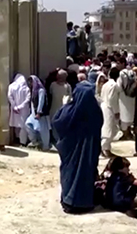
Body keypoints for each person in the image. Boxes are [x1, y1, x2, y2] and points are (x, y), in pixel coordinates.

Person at [53, 83, 103, 214]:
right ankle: (84, 203)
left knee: (70, 174)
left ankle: (68, 201)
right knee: (85, 174)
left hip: (70, 152)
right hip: (89, 152)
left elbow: (57, 122)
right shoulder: (95, 112)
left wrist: (64, 106)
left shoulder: (69, 111)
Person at [100, 67, 122, 158]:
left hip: (104, 106)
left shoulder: (106, 84)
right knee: (109, 129)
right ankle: (104, 149)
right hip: (109, 108)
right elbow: (112, 99)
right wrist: (116, 111)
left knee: (111, 128)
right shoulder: (114, 85)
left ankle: (107, 148)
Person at [26, 75, 50, 150]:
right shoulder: (33, 91)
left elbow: (41, 101)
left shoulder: (41, 90)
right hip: (34, 114)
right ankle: (35, 142)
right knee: (27, 124)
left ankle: (45, 146)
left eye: (31, 82)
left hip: (40, 114)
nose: (30, 83)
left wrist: (39, 112)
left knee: (43, 130)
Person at [48, 70, 72, 141]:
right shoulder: (67, 86)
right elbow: (70, 97)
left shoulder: (53, 85)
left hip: (55, 108)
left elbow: (50, 93)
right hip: (61, 109)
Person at [8, 74, 31, 146]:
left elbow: (10, 97)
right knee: (23, 126)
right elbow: (28, 99)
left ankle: (17, 138)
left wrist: (14, 106)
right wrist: (20, 107)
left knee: (16, 125)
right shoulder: (26, 88)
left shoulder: (11, 87)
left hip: (15, 109)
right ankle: (23, 142)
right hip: (23, 110)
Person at [117, 57, 137, 138]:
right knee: (130, 114)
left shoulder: (121, 73)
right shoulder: (132, 72)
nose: (117, 65)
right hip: (132, 96)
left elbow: (119, 87)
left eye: (118, 63)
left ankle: (126, 134)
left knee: (124, 115)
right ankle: (129, 131)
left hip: (123, 97)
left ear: (122, 63)